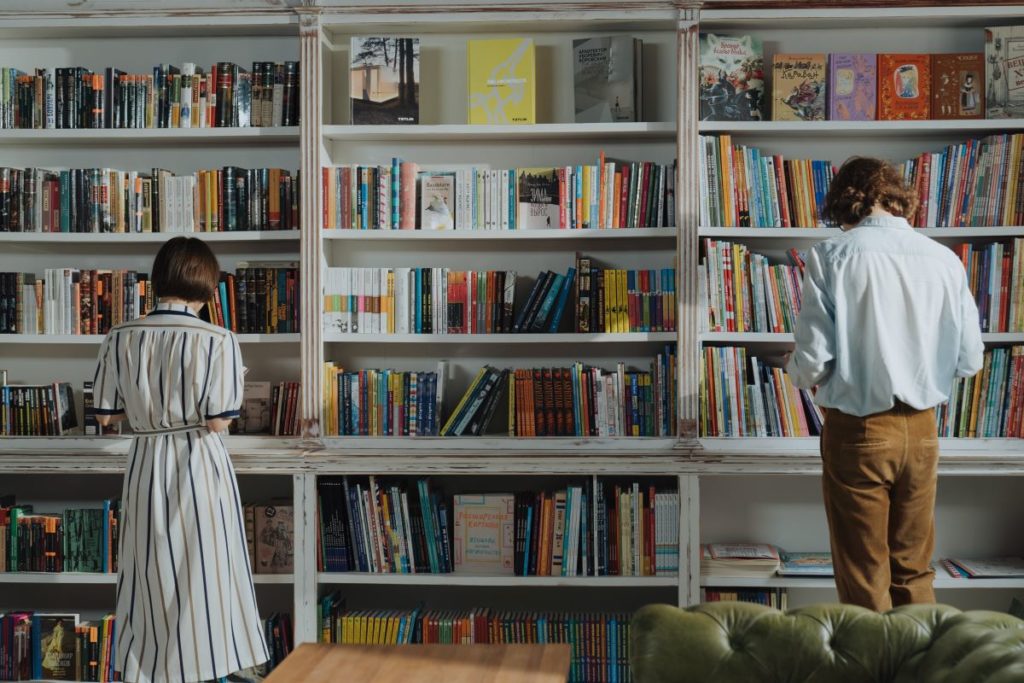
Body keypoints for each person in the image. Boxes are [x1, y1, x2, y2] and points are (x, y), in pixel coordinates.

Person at [786, 157, 984, 612]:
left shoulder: (830, 256)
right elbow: (970, 359)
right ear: (897, 198)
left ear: (843, 203)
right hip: (922, 431)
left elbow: (814, 361)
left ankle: (870, 672)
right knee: (914, 567)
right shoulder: (943, 260)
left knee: (863, 572)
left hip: (859, 430)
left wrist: (794, 369)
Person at [93, 237, 268, 683]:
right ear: (207, 283)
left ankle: (148, 670)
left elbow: (107, 414)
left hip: (146, 461)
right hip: (195, 462)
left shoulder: (120, 336)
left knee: (146, 574)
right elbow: (218, 422)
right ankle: (205, 668)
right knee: (203, 575)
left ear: (159, 278)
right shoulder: (218, 338)